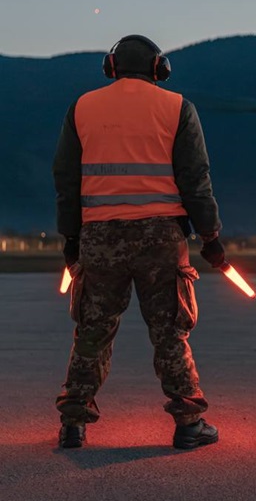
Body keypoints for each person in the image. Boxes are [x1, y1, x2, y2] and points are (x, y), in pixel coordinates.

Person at [52, 34, 226, 449]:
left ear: (111, 67)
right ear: (159, 69)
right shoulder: (177, 107)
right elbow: (195, 180)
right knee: (170, 333)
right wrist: (211, 236)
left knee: (92, 332)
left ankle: (74, 423)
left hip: (99, 236)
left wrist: (70, 238)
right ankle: (187, 423)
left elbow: (66, 180)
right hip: (161, 239)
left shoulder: (82, 107)